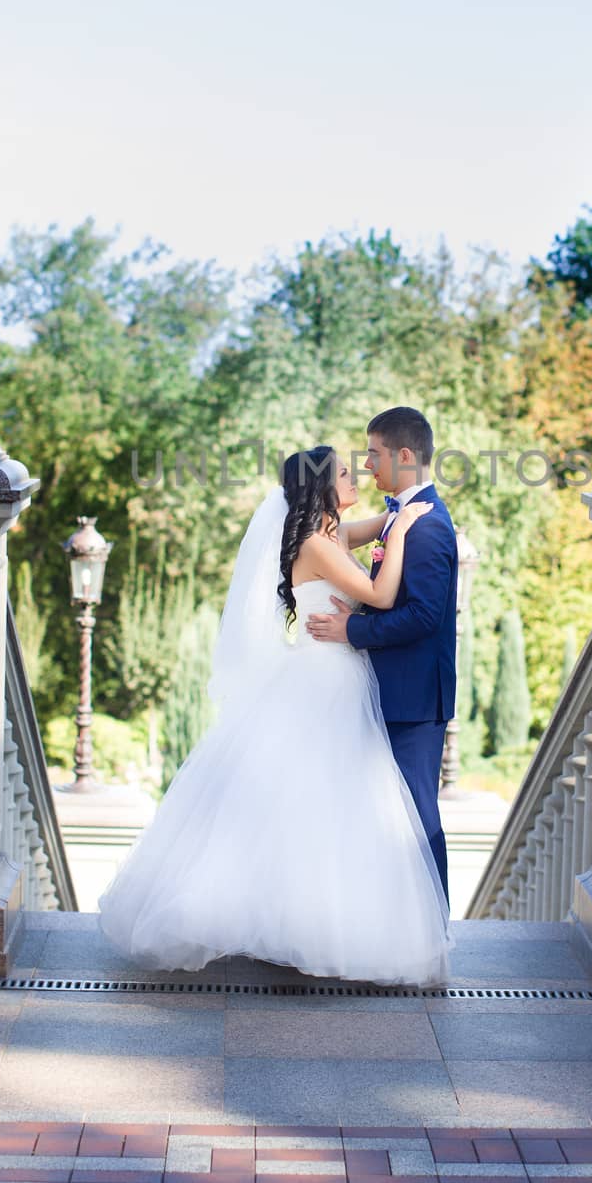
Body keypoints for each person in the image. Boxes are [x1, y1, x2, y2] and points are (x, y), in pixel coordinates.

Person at [98, 444, 451, 986]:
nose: (355, 475)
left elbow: (378, 521)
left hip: (333, 675)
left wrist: (406, 508)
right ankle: (297, 926)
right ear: (321, 487)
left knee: (320, 806)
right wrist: (401, 533)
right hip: (326, 680)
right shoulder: (317, 543)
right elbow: (381, 595)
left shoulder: (331, 533)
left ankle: (302, 921)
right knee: (318, 806)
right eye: (342, 472)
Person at [306, 407, 457, 901]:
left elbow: (423, 617)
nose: (367, 464)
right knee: (385, 817)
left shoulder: (428, 528)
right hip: (387, 692)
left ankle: (433, 928)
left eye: (373, 454)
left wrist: (354, 628)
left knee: (416, 817)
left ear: (405, 455)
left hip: (412, 699)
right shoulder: (398, 517)